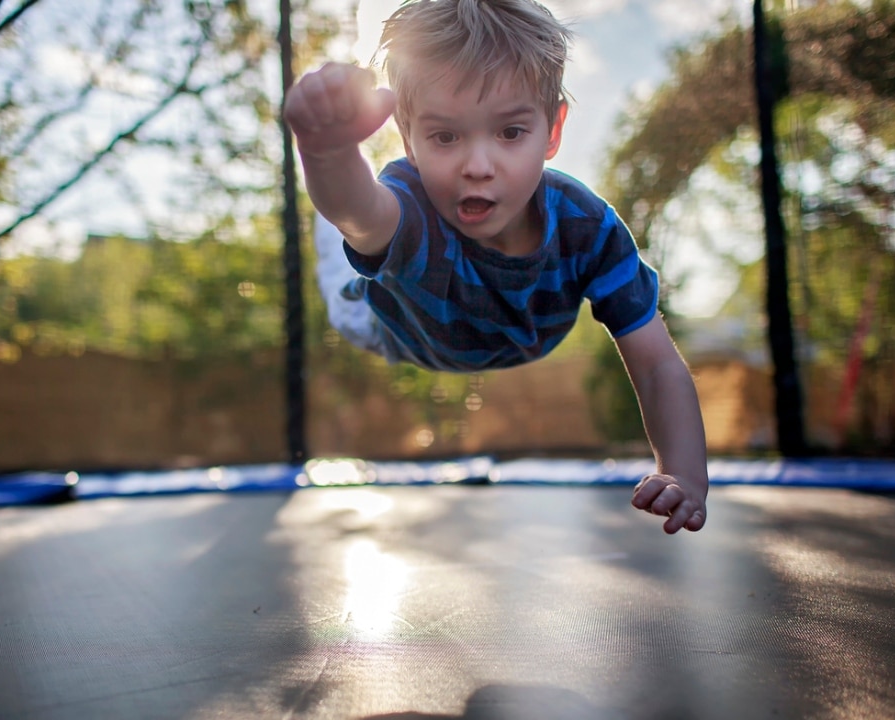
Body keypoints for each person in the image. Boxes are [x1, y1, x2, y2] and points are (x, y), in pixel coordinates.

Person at [283, 0, 708, 534]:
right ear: (408, 138)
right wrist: (324, 152)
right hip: (384, 322)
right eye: (444, 137)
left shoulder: (589, 230)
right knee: (346, 220)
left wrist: (685, 475)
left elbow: (657, 364)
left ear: (552, 131)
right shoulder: (411, 207)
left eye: (510, 133)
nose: (478, 167)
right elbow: (363, 215)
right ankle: (337, 190)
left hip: (500, 332)